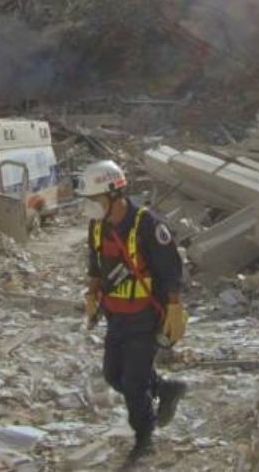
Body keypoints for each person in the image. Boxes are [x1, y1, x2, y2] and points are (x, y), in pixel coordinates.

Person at [77, 160, 188, 465]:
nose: (91, 207)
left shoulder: (148, 224)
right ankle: (167, 388)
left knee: (134, 384)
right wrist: (92, 294)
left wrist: (174, 308)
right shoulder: (98, 225)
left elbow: (171, 269)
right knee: (115, 375)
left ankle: (145, 438)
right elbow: (95, 263)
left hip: (144, 314)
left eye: (95, 200)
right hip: (116, 314)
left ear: (115, 194)